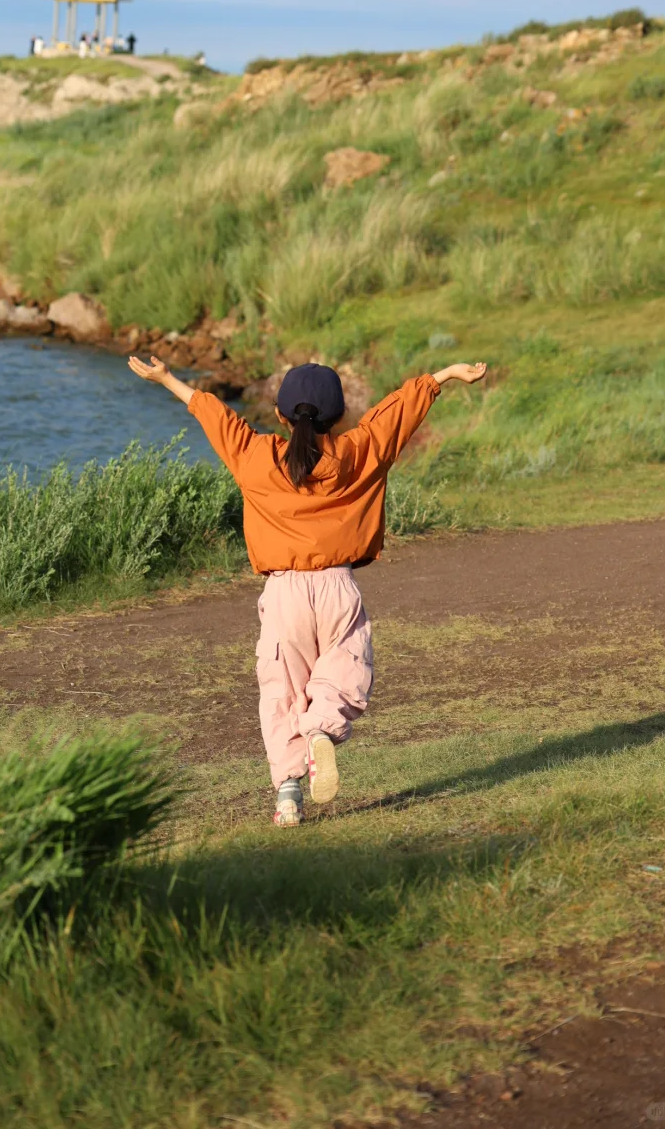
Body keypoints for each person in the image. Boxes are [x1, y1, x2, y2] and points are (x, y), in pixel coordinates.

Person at [127, 353, 488, 826]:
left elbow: (215, 415)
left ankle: (288, 798)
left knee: (281, 688)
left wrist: (167, 378)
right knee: (344, 668)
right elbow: (396, 414)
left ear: (281, 415)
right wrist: (445, 375)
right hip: (337, 586)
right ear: (338, 416)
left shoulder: (257, 456)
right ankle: (320, 731)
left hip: (284, 594)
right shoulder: (359, 451)